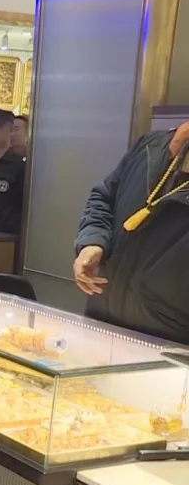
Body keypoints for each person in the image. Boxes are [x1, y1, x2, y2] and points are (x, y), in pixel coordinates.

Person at [73, 122, 189, 345]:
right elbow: (104, 197)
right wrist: (93, 242)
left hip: (170, 340)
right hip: (102, 318)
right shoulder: (151, 146)